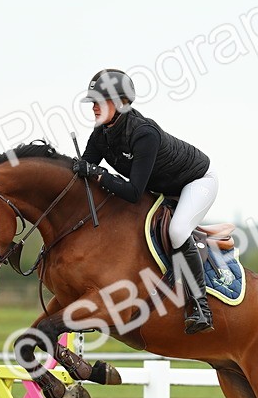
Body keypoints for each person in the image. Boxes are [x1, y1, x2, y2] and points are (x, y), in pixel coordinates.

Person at [71, 68, 218, 335]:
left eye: (98, 101)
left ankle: (200, 307)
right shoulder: (103, 132)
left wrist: (98, 174)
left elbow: (133, 192)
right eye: (92, 101)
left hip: (196, 182)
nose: (93, 107)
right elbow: (86, 169)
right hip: (162, 186)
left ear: (120, 103)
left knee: (177, 231)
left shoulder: (143, 134)